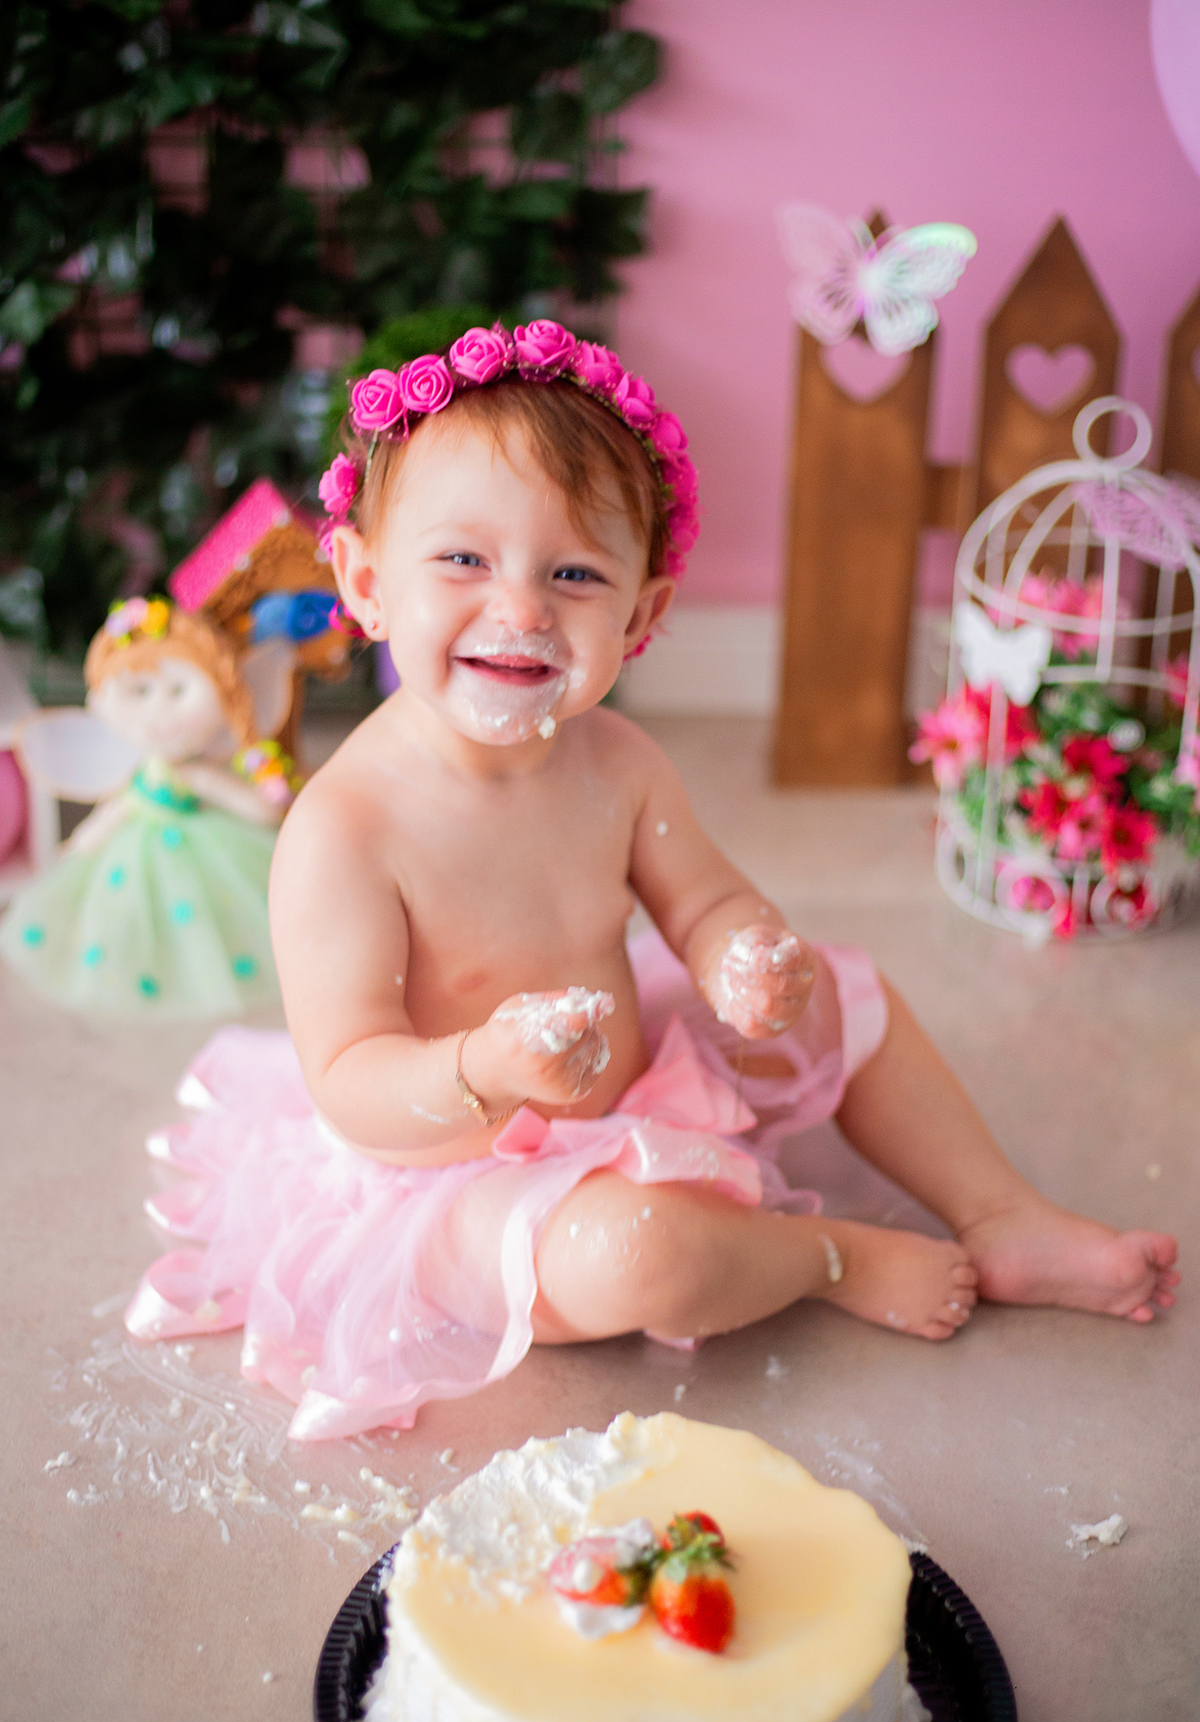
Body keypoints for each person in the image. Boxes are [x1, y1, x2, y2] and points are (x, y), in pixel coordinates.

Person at [124, 323, 1178, 1439]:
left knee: (837, 987)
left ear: (643, 613)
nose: (522, 608)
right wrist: (484, 1065)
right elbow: (350, 1080)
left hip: (620, 1078)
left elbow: (708, 903)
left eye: (574, 573)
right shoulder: (345, 828)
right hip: (445, 1163)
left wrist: (746, 960)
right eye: (463, 560)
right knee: (635, 1255)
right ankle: (822, 1258)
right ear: (366, 582)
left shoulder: (617, 764)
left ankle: (1001, 1211)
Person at [0, 599, 297, 1016]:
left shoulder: (202, 770)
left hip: (206, 837)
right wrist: (83, 842)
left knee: (224, 914)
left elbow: (260, 810)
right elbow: (113, 812)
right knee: (128, 917)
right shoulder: (140, 776)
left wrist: (218, 785)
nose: (159, 711)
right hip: (135, 850)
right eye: (141, 692)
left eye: (177, 691)